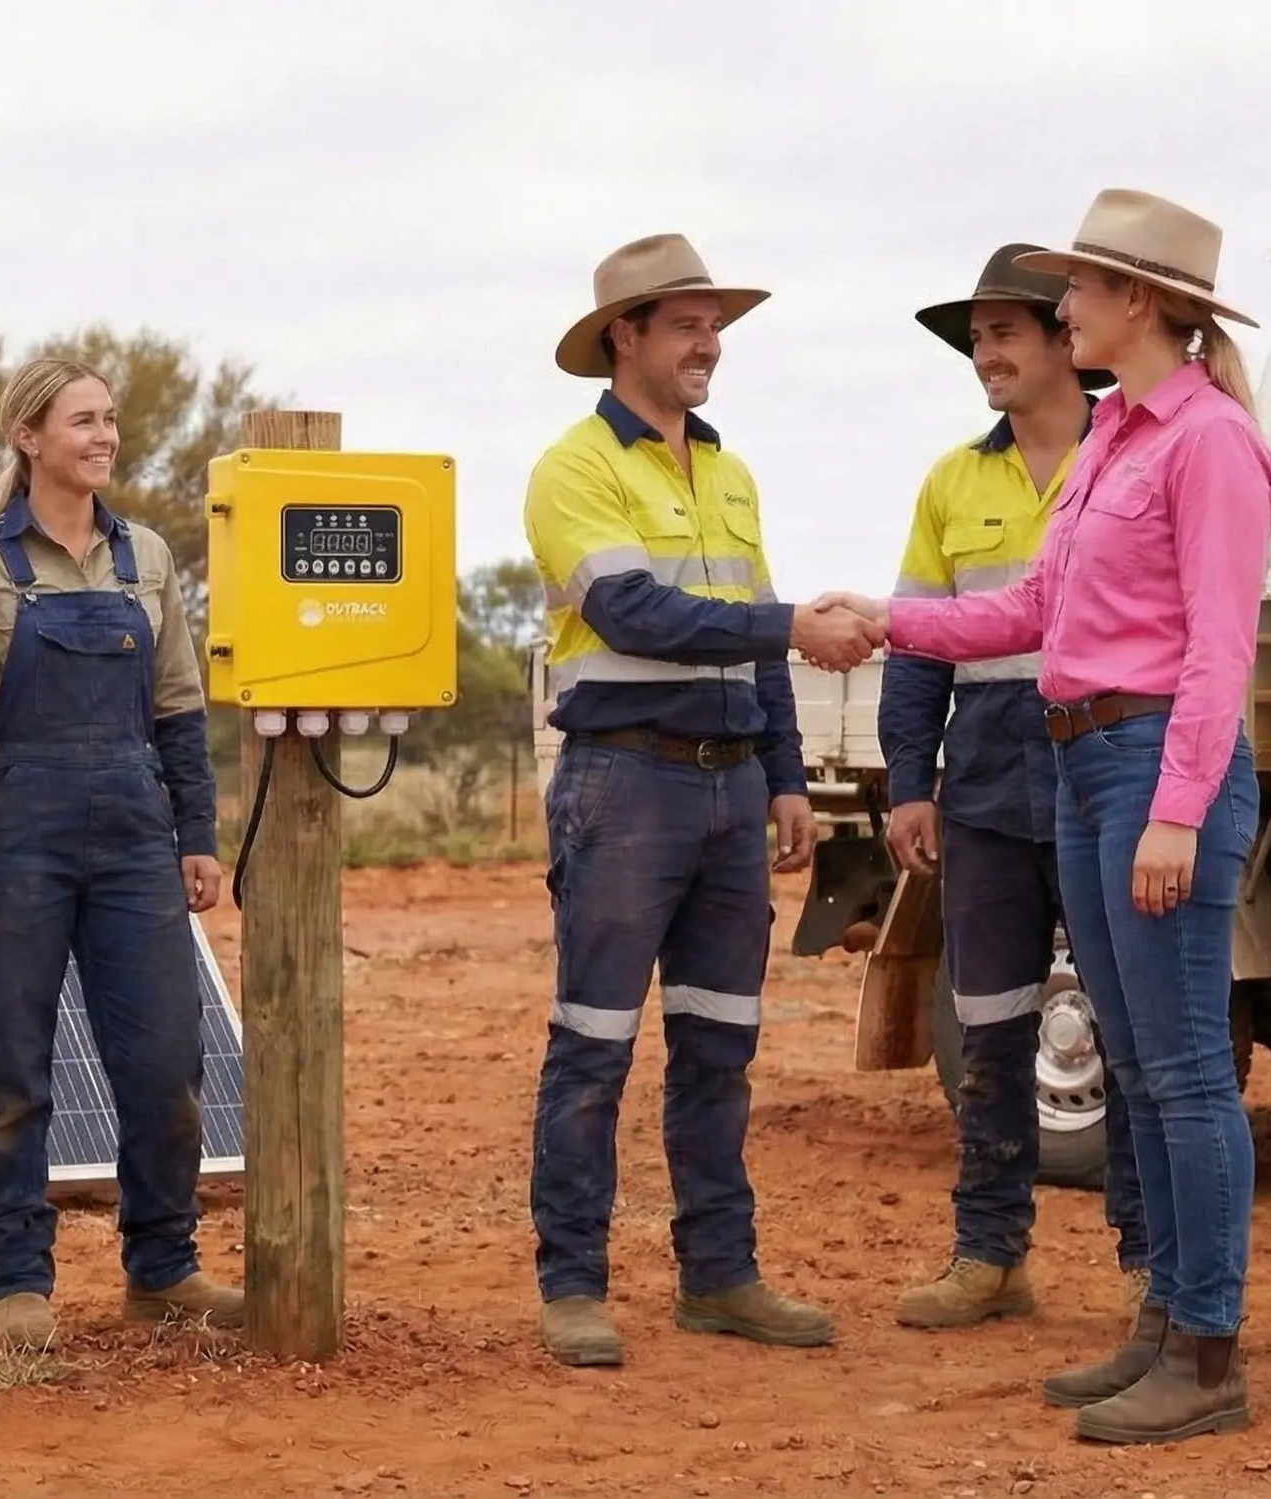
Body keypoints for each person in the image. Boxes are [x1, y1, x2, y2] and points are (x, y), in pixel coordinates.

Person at [819, 189, 1271, 1445]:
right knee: (1138, 1062)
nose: (1057, 305)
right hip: (1077, 765)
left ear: (1140, 302)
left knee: (1184, 1076)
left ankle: (1208, 1349)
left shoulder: (1210, 440)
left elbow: (1219, 644)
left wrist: (1179, 809)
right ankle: (1165, 1322)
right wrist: (890, 618)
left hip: (1146, 768)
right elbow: (1029, 615)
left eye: (1074, 288)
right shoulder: (1115, 439)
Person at [523, 232, 881, 1367]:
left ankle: (720, 1276)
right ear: (622, 336)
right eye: (686, 322)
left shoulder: (729, 472)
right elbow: (637, 616)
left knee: (719, 1045)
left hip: (731, 796)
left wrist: (786, 777)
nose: (709, 342)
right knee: (594, 1043)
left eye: (714, 323)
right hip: (622, 785)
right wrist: (787, 626)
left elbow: (752, 641)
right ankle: (573, 1284)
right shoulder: (574, 469)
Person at [0, 356, 237, 1350]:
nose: (104, 436)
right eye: (83, 421)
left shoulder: (146, 556)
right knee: (10, 1062)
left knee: (166, 1061)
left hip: (138, 830)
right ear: (30, 436)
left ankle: (164, 1267)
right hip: (16, 829)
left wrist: (197, 835)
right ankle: (17, 1277)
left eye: (110, 421)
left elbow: (180, 705)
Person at [880, 245, 1148, 1330]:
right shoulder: (952, 478)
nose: (984, 353)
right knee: (989, 1025)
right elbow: (916, 650)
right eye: (975, 337)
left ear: (1060, 341)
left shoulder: (1131, 454)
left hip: (1105, 768)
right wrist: (909, 782)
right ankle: (990, 1256)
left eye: (1004, 332)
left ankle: (1148, 1266)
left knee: (1128, 1030)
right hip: (987, 780)